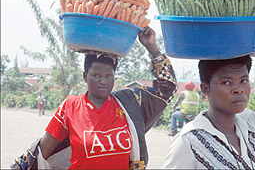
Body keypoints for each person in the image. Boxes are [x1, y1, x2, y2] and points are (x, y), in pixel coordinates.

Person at [11, 27, 177, 170]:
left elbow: (168, 88)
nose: (103, 81)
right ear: (85, 76)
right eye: (96, 75)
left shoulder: (130, 103)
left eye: (108, 76)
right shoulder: (71, 106)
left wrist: (151, 47)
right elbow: (41, 152)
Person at [163, 13, 255, 169]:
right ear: (205, 89)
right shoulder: (189, 142)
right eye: (226, 82)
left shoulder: (249, 125)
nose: (238, 89)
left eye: (244, 81)